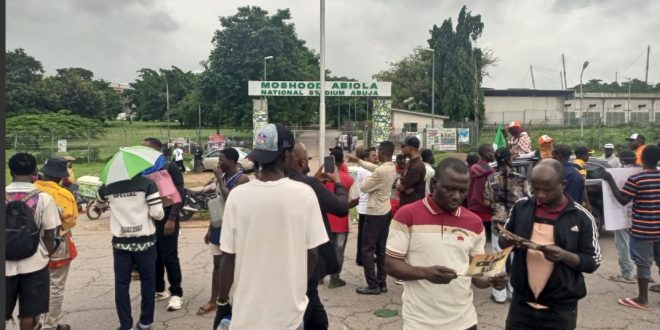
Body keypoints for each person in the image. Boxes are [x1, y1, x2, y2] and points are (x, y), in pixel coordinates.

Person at [214, 123, 328, 329]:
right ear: (286, 156)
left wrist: (222, 300)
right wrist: (298, 289)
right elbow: (312, 254)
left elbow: (227, 257)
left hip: (246, 314)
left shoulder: (237, 197)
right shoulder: (304, 194)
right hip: (288, 314)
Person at [385, 158, 508, 329]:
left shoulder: (474, 222)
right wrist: (425, 273)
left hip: (465, 322)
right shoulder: (407, 215)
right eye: (449, 189)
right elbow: (391, 265)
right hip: (420, 323)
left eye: (462, 191)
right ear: (434, 184)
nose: (457, 196)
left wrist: (492, 280)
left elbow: (478, 277)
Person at [500, 159, 600, 330]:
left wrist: (563, 255)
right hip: (521, 306)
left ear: (563, 184)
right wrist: (508, 241)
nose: (540, 195)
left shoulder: (581, 217)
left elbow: (592, 262)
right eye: (535, 188)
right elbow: (503, 241)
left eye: (547, 190)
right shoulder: (521, 207)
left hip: (560, 310)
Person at [286, 142, 349, 329]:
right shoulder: (310, 185)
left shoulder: (288, 182)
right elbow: (341, 208)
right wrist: (337, 181)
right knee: (306, 309)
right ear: (302, 161)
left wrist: (315, 181)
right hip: (309, 258)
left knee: (317, 315)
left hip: (289, 255)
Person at [96, 166, 164, 330]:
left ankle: (125, 325)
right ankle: (145, 323)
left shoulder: (106, 187)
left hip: (121, 242)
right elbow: (158, 214)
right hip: (146, 241)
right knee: (148, 282)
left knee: (122, 284)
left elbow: (99, 205)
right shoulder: (148, 184)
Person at [6, 153, 60, 330]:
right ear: (35, 171)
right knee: (29, 313)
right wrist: (48, 254)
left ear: (10, 171)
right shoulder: (43, 198)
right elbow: (50, 234)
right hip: (35, 263)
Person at [601, 145, 660, 310]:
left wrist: (610, 180)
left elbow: (622, 200)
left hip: (644, 229)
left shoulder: (637, 179)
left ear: (641, 159)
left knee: (643, 262)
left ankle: (642, 299)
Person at [198, 148, 249, 316]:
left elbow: (230, 199)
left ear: (233, 161)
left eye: (222, 159)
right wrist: (210, 228)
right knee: (217, 265)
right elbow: (217, 205)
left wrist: (219, 179)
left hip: (235, 228)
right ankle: (214, 300)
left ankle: (236, 299)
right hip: (219, 227)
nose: (219, 162)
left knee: (236, 265)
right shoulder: (224, 177)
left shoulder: (242, 179)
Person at [35, 157, 80, 330]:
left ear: (43, 173)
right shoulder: (65, 195)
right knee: (56, 286)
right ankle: (50, 325)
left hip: (32, 245)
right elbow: (71, 221)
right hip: (57, 243)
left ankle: (34, 322)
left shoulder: (32, 190)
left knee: (36, 284)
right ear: (61, 176)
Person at [348, 141, 398, 295]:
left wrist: (364, 180)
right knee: (381, 248)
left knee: (367, 249)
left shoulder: (381, 172)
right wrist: (358, 161)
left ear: (382, 153)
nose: (376, 155)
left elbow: (363, 187)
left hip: (375, 212)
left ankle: (372, 284)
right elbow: (374, 168)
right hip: (386, 211)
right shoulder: (390, 167)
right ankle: (382, 283)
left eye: (377, 152)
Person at [142, 138, 185, 311]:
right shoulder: (143, 170)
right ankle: (159, 289)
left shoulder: (169, 166)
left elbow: (179, 192)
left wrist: (172, 218)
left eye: (145, 148)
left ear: (155, 150)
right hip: (150, 217)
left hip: (168, 217)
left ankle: (176, 293)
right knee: (154, 256)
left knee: (169, 256)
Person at [484, 148, 532, 304]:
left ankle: (499, 295)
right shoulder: (521, 178)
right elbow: (528, 199)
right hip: (516, 224)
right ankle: (514, 291)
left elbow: (486, 201)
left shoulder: (491, 179)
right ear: (510, 160)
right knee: (515, 257)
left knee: (498, 258)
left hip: (499, 224)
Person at [324, 148, 355, 289]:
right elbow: (356, 198)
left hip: (325, 219)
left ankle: (319, 276)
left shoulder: (323, 177)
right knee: (338, 250)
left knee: (322, 248)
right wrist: (345, 206)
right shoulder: (349, 179)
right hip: (341, 221)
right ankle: (334, 278)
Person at [607, 150, 639, 284]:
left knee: (623, 243)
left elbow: (621, 199)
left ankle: (627, 273)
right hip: (639, 215)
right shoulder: (641, 171)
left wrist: (609, 179)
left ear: (622, 160)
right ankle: (642, 273)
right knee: (638, 244)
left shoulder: (618, 173)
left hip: (621, 214)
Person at [348, 146, 373, 266]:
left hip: (364, 205)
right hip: (365, 206)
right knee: (365, 235)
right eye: (372, 155)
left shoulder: (363, 170)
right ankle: (362, 258)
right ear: (366, 156)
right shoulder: (365, 171)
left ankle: (361, 257)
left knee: (363, 234)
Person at [467, 144, 496, 240]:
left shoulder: (472, 169)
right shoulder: (491, 171)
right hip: (487, 209)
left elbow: (469, 188)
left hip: (473, 207)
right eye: (490, 152)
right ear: (483, 154)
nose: (493, 154)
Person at [397, 136, 426, 207]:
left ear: (411, 148)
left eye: (403, 146)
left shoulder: (416, 167)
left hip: (412, 208)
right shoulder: (411, 162)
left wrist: (399, 184)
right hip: (407, 205)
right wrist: (402, 185)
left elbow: (400, 187)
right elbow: (400, 182)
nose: (401, 149)